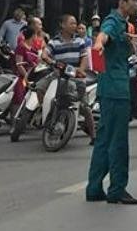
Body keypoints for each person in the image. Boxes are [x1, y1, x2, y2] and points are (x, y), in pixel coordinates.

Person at [86, 0, 137, 205]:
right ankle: (117, 189)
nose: (136, 4)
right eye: (134, 0)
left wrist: (127, 40)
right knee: (118, 141)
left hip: (107, 87)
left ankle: (94, 187)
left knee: (104, 139)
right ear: (122, 2)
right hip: (117, 90)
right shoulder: (113, 21)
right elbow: (103, 35)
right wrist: (99, 43)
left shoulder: (121, 25)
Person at [40, 14, 96, 142]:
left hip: (75, 76)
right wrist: (52, 62)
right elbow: (44, 54)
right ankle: (46, 118)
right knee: (39, 88)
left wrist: (81, 70)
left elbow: (84, 57)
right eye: (71, 23)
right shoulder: (54, 41)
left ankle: (94, 135)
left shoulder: (79, 41)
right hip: (58, 75)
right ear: (62, 25)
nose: (74, 26)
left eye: (75, 23)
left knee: (85, 107)